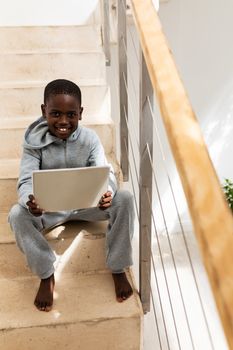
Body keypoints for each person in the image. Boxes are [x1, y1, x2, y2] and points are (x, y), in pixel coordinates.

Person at [8, 79, 135, 312]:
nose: (64, 121)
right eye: (55, 113)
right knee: (17, 214)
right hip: (49, 211)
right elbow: (25, 181)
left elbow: (105, 173)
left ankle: (118, 266)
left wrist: (107, 192)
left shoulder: (90, 139)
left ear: (81, 113)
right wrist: (30, 200)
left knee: (125, 198)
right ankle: (47, 273)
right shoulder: (33, 143)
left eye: (71, 114)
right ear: (43, 111)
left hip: (86, 206)